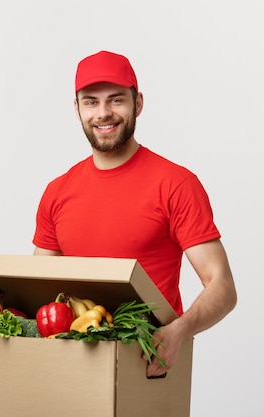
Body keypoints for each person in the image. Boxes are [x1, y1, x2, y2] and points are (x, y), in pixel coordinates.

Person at [32, 50, 237, 377]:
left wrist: (178, 332)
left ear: (137, 103)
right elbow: (38, 288)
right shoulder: (57, 191)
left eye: (115, 100)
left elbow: (222, 287)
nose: (103, 113)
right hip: (69, 369)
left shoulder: (176, 184)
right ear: (77, 109)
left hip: (146, 364)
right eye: (91, 102)